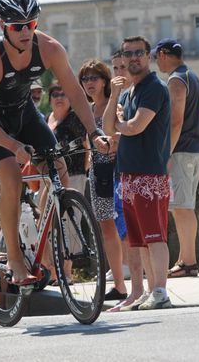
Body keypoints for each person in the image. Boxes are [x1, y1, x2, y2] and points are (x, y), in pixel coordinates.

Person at [0, 0, 103, 285]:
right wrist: (14, 146)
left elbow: (74, 91)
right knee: (13, 179)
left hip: (23, 111)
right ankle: (15, 259)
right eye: (18, 26)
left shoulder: (50, 48)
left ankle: (43, 237)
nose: (26, 31)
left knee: (59, 170)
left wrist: (94, 131)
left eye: (31, 24)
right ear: (3, 26)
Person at [97, 36, 172, 310]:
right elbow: (108, 128)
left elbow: (136, 126)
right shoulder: (129, 93)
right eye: (128, 54)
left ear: (149, 56)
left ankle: (160, 290)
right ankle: (148, 292)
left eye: (139, 52)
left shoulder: (154, 88)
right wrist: (115, 95)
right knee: (139, 241)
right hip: (128, 176)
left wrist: (119, 125)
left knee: (155, 237)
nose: (133, 58)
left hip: (149, 175)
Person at [153, 38, 199, 278]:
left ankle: (189, 263)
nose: (156, 62)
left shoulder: (176, 79)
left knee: (182, 208)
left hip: (181, 150)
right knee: (185, 207)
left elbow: (175, 120)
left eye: (156, 56)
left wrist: (166, 153)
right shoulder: (192, 76)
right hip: (194, 149)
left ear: (164, 54)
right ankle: (185, 259)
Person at [79, 59, 127, 300]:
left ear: (105, 80)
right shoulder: (88, 110)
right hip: (98, 172)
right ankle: (118, 283)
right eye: (85, 79)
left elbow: (116, 136)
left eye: (94, 78)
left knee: (122, 228)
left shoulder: (113, 104)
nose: (89, 83)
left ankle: (123, 283)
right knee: (106, 227)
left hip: (115, 171)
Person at [46, 83, 89, 192]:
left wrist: (82, 172)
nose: (59, 98)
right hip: (49, 176)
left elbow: (88, 148)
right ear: (50, 100)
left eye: (63, 94)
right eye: (55, 95)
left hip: (73, 176)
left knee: (71, 209)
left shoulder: (74, 118)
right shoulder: (46, 119)